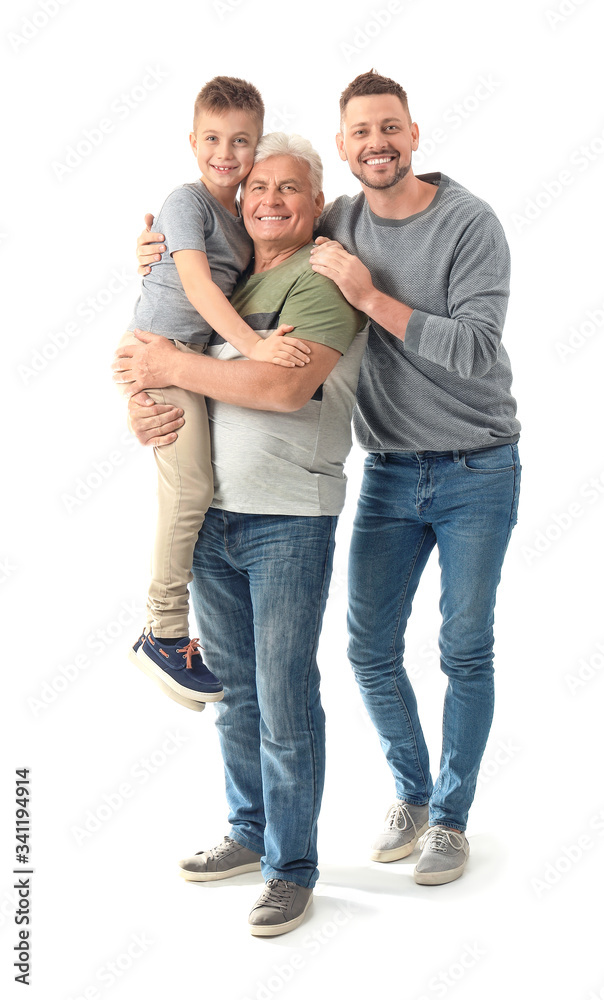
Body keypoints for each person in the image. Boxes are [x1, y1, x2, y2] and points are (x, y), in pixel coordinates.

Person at [113, 134, 367, 935]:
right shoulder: (224, 277)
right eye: (256, 185)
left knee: (285, 700)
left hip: (288, 519)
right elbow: (166, 363)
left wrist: (171, 368)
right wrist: (144, 394)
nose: (267, 199)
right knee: (235, 695)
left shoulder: (319, 279)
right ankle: (250, 832)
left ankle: (292, 868)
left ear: (315, 203)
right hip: (214, 519)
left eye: (288, 187)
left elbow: (281, 387)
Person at [308, 70, 521, 885]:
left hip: (478, 466)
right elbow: (257, 242)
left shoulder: (470, 222)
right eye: (361, 132)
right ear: (343, 147)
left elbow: (476, 348)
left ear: (414, 133)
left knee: (464, 648)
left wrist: (368, 294)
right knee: (367, 647)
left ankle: (453, 820)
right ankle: (413, 791)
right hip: (391, 472)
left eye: (389, 128)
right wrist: (164, 250)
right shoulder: (337, 221)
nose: (377, 144)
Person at [118, 77, 310, 711]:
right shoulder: (186, 203)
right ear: (191, 141)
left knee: (191, 483)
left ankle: (172, 636)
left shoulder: (242, 214)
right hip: (159, 353)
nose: (225, 154)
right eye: (212, 139)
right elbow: (199, 291)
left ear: (256, 146)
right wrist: (256, 349)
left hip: (180, 360)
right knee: (190, 486)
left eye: (240, 142)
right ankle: (164, 632)